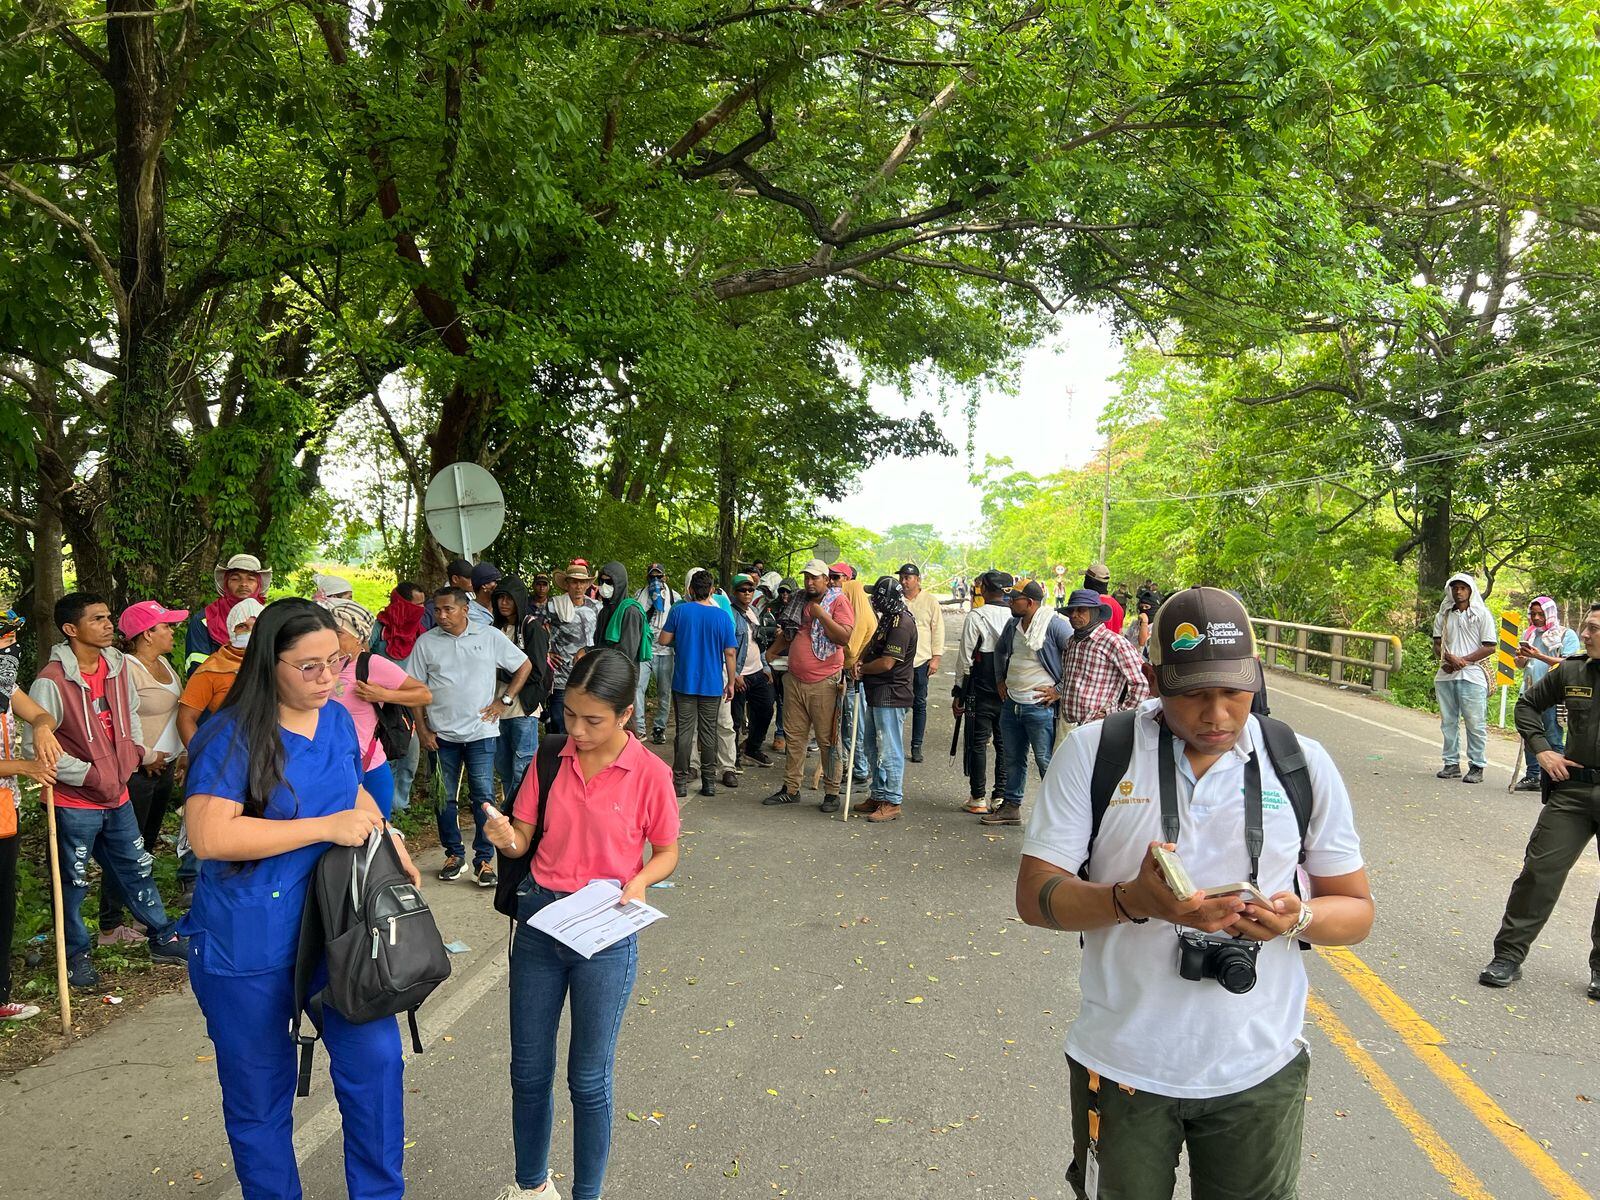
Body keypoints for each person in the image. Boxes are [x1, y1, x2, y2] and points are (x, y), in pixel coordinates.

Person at [1015, 586, 1372, 1200]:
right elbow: (1035, 895)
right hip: (1123, 1067)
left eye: (1235, 693)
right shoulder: (1097, 752)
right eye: (1192, 694)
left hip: (1259, 1070)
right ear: (1153, 678)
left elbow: (1357, 910)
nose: (1218, 716)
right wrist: (1135, 901)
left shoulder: (1299, 762)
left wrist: (1297, 917)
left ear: (1255, 679)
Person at [181, 598, 420, 1200]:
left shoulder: (337, 719)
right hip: (248, 940)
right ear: (269, 663)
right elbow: (210, 837)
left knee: (376, 1065)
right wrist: (322, 827)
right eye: (307, 667)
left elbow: (354, 794)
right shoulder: (231, 735)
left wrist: (387, 838)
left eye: (335, 663)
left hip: (337, 927)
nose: (327, 679)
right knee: (260, 1097)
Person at [482, 648, 680, 1200]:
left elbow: (666, 851)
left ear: (625, 715)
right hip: (542, 921)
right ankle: (530, 1186)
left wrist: (639, 881)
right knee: (528, 1069)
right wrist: (505, 838)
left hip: (606, 932)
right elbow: (523, 837)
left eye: (592, 719)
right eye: (569, 714)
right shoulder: (550, 757)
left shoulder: (650, 774)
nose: (577, 730)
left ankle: (587, 1192)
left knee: (588, 1079)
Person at [26, 593, 186, 989]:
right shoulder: (51, 681)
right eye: (96, 619)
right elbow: (36, 749)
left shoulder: (115, 666)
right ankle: (76, 957)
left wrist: (130, 755)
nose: (107, 624)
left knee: (137, 868)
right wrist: (89, 775)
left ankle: (161, 936)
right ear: (70, 629)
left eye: (108, 617)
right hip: (72, 801)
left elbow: (128, 713)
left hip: (118, 794)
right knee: (73, 883)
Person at [1480, 602, 1600, 998]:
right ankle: (1508, 957)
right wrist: (1543, 749)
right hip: (1574, 789)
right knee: (1539, 873)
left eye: (1594, 629)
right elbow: (1528, 705)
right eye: (1585, 627)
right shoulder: (1571, 669)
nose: (1585, 634)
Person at [404, 587, 532, 887]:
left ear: (465, 609)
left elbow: (523, 665)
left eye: (448, 609)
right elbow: (413, 689)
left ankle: (484, 860)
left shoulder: (488, 636)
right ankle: (453, 854)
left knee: (483, 798)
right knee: (443, 798)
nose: (442, 615)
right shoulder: (427, 643)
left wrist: (506, 700)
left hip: (481, 733)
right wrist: (422, 729)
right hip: (441, 736)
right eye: (438, 610)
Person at [97, 600, 189, 946]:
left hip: (161, 769)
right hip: (137, 771)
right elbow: (121, 720)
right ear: (146, 634)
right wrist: (146, 755)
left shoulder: (164, 663)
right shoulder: (125, 669)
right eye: (164, 626)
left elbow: (172, 714)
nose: (171, 631)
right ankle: (109, 924)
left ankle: (138, 914)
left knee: (145, 845)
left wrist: (179, 754)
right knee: (125, 847)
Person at [1, 607, 61, 1021]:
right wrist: (26, 767)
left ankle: (0, 996)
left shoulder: (4, 683)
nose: (10, 644)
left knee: (3, 902)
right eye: (4, 636)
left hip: (4, 809)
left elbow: (41, 713)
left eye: (12, 636)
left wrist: (40, 726)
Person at [763, 561, 856, 812]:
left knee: (827, 739)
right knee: (794, 737)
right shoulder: (798, 600)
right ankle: (791, 789)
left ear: (826, 579)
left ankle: (832, 792)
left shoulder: (838, 602)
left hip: (825, 682)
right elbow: (791, 633)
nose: (809, 582)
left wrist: (821, 614)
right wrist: (771, 652)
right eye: (806, 577)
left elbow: (844, 637)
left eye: (815, 578)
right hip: (795, 679)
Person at [325, 600, 432, 820]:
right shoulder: (323, 666)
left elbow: (424, 694)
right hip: (330, 769)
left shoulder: (371, 664)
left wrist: (384, 695)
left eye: (338, 633)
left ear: (359, 637)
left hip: (368, 768)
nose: (331, 638)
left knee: (377, 839)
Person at [987, 580, 1072, 827]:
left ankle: (1057, 817)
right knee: (1013, 757)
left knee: (1046, 760)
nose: (1010, 602)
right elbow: (1000, 651)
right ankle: (1012, 807)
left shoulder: (1055, 626)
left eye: (1015, 599)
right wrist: (1000, 680)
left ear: (1031, 602)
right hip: (1012, 702)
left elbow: (1075, 659)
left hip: (1039, 707)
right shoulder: (1014, 624)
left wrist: (1059, 691)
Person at [659, 569, 737, 798]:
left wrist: (682, 640)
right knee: (709, 733)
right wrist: (731, 682)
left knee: (684, 733)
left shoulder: (680, 611)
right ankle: (709, 782)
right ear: (711, 590)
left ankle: (680, 782)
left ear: (691, 590)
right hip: (712, 684)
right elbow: (730, 653)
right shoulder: (722, 616)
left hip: (684, 682)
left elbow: (663, 639)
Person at [854, 576, 917, 823]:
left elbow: (888, 662)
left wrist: (863, 669)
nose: (873, 600)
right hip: (877, 693)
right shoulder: (889, 618)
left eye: (876, 596)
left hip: (891, 694)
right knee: (872, 745)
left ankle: (892, 800)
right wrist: (860, 660)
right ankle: (878, 793)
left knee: (889, 748)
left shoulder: (902, 624)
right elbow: (873, 644)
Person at [954, 572, 1013, 815]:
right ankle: (1000, 796)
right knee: (1004, 743)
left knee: (978, 742)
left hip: (981, 685)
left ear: (985, 590)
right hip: (1009, 688)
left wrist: (959, 691)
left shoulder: (976, 616)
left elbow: (965, 658)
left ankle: (977, 796)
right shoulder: (1016, 617)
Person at [1432, 572, 1496, 784]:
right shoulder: (1444, 614)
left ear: (1470, 590)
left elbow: (1489, 646)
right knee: (1448, 722)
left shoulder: (1482, 615)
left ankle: (1477, 765)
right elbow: (1437, 643)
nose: (1458, 592)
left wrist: (1463, 661)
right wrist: (1449, 659)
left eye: (1463, 588)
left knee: (1474, 722)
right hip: (1446, 674)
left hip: (1472, 675)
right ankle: (1451, 763)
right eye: (1455, 588)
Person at [491, 577, 549, 800]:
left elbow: (536, 671)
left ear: (519, 599)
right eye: (500, 598)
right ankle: (509, 810)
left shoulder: (532, 627)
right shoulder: (494, 628)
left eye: (509, 598)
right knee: (503, 766)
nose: (504, 603)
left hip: (522, 708)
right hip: (496, 709)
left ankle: (524, 815)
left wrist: (500, 671)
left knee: (523, 766)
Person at [1513, 596, 1580, 791]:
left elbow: (1569, 664)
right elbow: (1523, 665)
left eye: (1541, 614)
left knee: (1552, 737)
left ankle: (1554, 778)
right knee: (1529, 736)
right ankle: (1532, 776)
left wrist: (1538, 655)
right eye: (1533, 614)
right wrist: (1521, 658)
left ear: (1550, 613)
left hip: (1552, 694)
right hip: (1529, 690)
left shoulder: (1565, 635)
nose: (1536, 618)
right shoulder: (1530, 633)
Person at [1059, 587, 1150, 728]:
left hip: (1099, 726)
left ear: (1095, 612)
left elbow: (1142, 682)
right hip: (1070, 724)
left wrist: (1118, 713)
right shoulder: (1071, 642)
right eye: (1071, 610)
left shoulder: (1113, 642)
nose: (1074, 615)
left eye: (1081, 610)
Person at [373, 582, 429, 810]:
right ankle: (381, 806)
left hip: (410, 702)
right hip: (379, 702)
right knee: (382, 755)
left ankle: (400, 805)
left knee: (410, 754)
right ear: (401, 604)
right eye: (416, 605)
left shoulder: (421, 631)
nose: (422, 609)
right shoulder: (380, 627)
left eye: (424, 604)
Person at [178, 599, 263, 746]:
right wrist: (202, 756)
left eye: (256, 627)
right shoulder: (211, 669)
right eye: (242, 626)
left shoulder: (278, 664)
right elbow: (185, 719)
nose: (250, 633)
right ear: (231, 629)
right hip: (224, 753)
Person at [186, 553, 271, 672]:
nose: (243, 584)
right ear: (226, 583)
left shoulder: (270, 618)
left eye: (251, 579)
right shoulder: (204, 619)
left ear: (258, 585)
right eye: (235, 579)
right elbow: (197, 668)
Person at [897, 563, 945, 765]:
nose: (904, 581)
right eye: (902, 577)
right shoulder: (896, 600)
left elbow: (938, 629)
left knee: (919, 703)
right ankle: (895, 745)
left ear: (917, 579)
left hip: (922, 659)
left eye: (908, 577)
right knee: (898, 704)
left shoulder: (930, 601)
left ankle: (916, 745)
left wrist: (936, 657)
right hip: (899, 660)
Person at [729, 575, 776, 778]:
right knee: (735, 720)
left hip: (757, 671)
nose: (747, 593)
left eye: (750, 590)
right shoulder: (729, 614)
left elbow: (760, 641)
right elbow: (728, 647)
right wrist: (735, 675)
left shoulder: (755, 611)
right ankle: (732, 758)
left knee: (766, 710)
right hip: (740, 674)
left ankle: (752, 748)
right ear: (734, 592)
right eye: (742, 590)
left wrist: (766, 666)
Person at [547, 562, 600, 734]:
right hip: (561, 676)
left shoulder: (596, 607)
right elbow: (534, 629)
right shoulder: (554, 605)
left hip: (589, 675)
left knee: (586, 725)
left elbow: (600, 638)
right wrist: (546, 653)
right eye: (574, 582)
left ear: (587, 584)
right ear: (567, 583)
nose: (578, 586)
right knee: (561, 725)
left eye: (582, 582)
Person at [634, 563, 679, 742]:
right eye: (652, 577)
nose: (656, 580)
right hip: (645, 649)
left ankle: (659, 728)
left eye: (659, 577)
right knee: (638, 688)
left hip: (666, 651)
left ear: (665, 578)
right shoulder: (639, 595)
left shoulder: (674, 597)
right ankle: (640, 728)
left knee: (664, 692)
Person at [768, 577, 796, 753]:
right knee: (775, 698)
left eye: (788, 592)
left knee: (787, 701)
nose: (784, 595)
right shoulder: (772, 607)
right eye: (782, 591)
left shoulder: (800, 608)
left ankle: (784, 735)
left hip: (790, 660)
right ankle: (779, 734)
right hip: (773, 659)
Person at [1084, 562, 1124, 634]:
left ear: (1089, 581)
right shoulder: (1118, 607)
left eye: (1085, 578)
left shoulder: (1090, 605)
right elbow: (1120, 633)